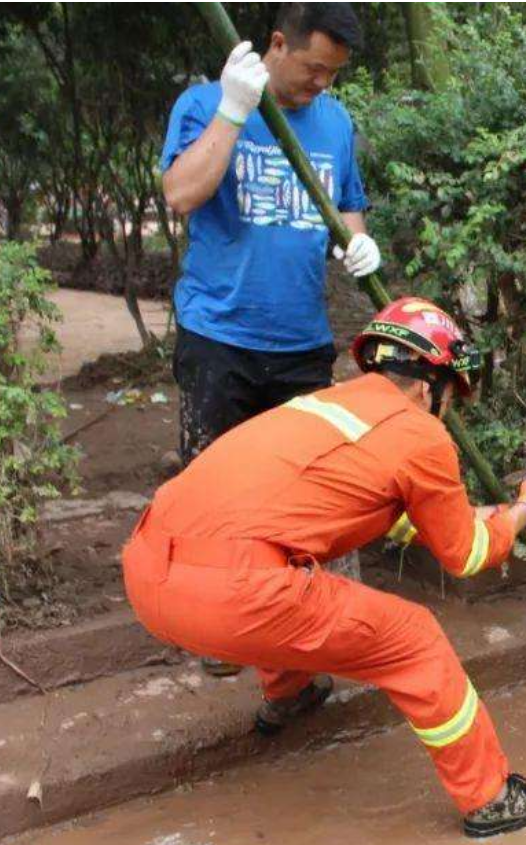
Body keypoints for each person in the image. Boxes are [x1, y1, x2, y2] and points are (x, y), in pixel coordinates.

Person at [121, 298, 526, 838]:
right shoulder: (420, 434)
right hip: (235, 596)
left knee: (291, 569)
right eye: (451, 396)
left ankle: (290, 696)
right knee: (416, 637)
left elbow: (375, 515)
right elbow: (466, 555)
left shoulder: (325, 406)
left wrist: (490, 515)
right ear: (428, 386)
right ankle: (491, 798)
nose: (449, 408)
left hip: (149, 573)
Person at [161, 3, 381, 676]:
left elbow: (348, 206)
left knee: (306, 492)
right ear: (278, 44)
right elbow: (181, 193)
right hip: (219, 336)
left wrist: (358, 241)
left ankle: (300, 621)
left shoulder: (335, 123)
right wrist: (234, 111)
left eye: (333, 74)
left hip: (300, 340)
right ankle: (215, 632)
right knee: (214, 491)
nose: (322, 85)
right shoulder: (205, 104)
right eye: (314, 69)